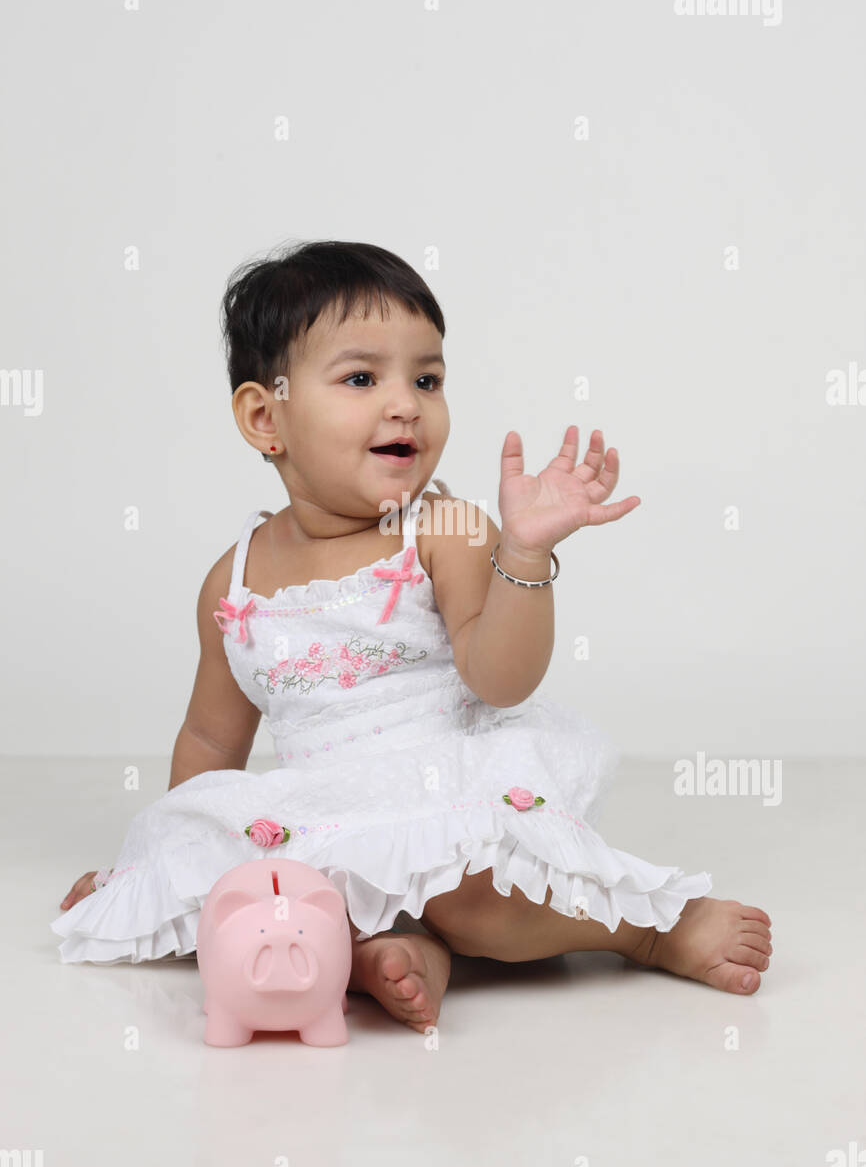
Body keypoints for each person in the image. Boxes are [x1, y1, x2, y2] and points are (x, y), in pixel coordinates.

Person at [52, 239, 772, 1032]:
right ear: (266, 417)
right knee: (250, 906)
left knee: (469, 897)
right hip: (331, 808)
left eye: (426, 379)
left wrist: (522, 554)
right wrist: (164, 864)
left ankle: (646, 928)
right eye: (363, 379)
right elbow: (208, 742)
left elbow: (501, 679)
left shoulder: (445, 529)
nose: (406, 404)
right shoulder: (236, 580)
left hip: (455, 792)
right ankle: (393, 947)